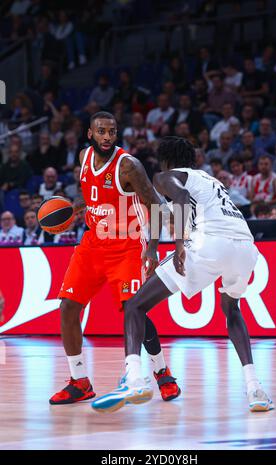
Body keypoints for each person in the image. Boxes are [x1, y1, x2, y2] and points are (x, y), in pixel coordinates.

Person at [92, 136, 273, 413]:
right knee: (232, 309)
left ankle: (134, 378)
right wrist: (154, 247)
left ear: (165, 161)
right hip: (246, 247)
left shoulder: (166, 176)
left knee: (136, 306)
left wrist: (179, 244)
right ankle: (254, 388)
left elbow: (181, 197)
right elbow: (166, 207)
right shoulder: (210, 180)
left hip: (209, 243)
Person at [49, 112, 180, 405]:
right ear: (90, 134)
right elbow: (95, 197)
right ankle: (79, 381)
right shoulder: (83, 158)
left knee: (133, 309)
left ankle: (162, 372)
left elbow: (157, 204)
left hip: (128, 244)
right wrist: (74, 210)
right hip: (94, 244)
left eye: (112, 132)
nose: (107, 136)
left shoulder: (129, 166)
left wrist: (154, 246)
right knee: (68, 307)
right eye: (101, 131)